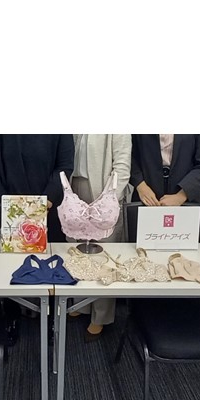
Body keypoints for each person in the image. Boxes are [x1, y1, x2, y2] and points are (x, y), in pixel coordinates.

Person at [71, 135, 132, 340]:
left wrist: (109, 199)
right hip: (75, 185)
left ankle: (100, 316)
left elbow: (122, 165)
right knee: (78, 250)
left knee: (104, 256)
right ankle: (81, 304)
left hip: (104, 190)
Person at [0, 134, 75, 243]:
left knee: (50, 251)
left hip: (48, 209)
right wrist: (3, 200)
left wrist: (48, 198)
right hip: (4, 209)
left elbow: (65, 165)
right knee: (3, 251)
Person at [129, 134, 200, 237]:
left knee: (186, 246)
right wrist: (140, 185)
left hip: (186, 199)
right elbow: (127, 156)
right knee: (141, 245)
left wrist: (181, 195)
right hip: (147, 198)